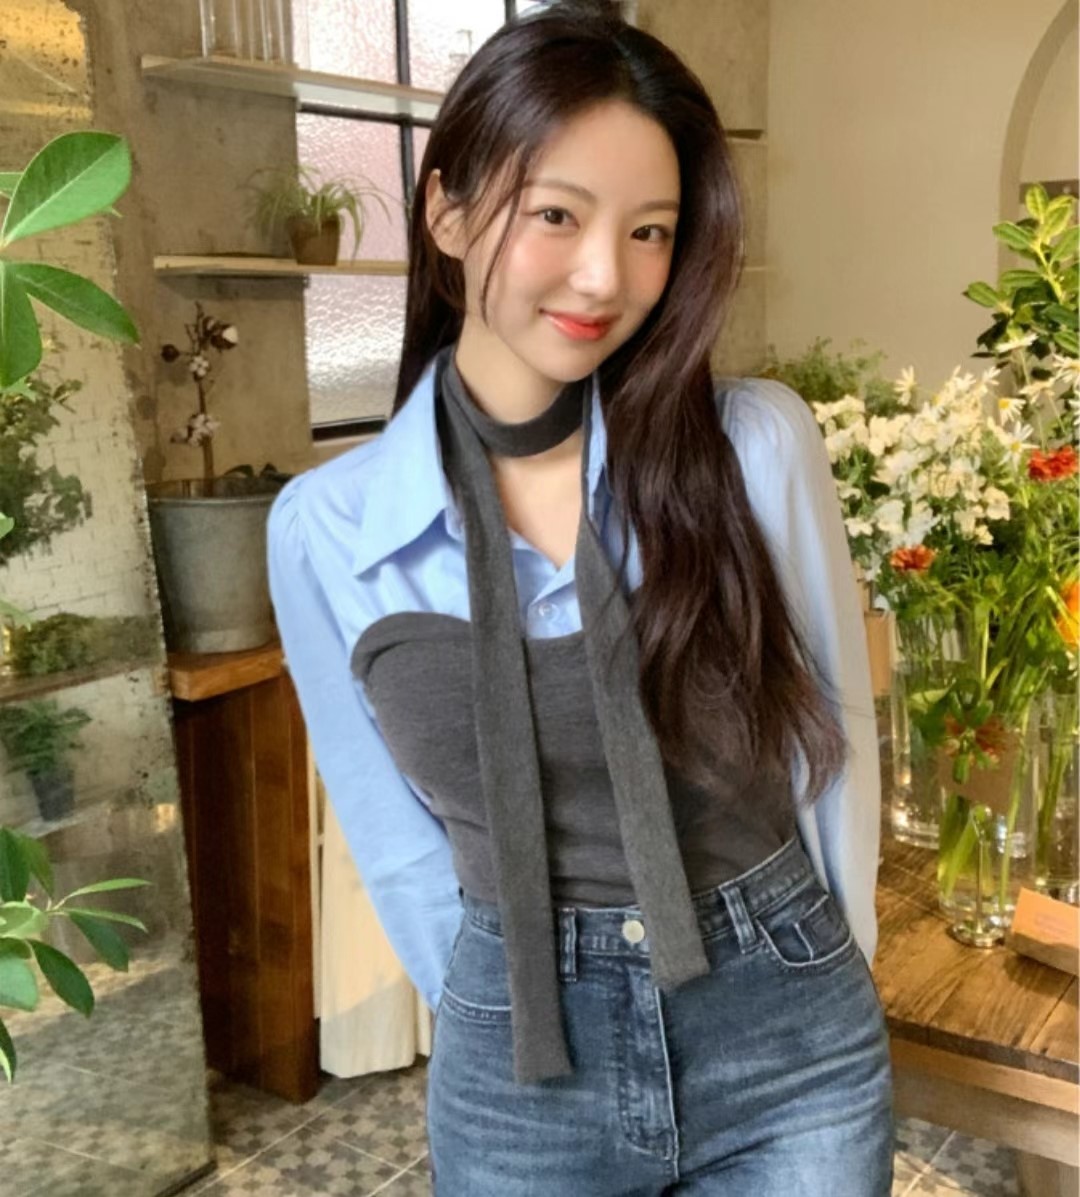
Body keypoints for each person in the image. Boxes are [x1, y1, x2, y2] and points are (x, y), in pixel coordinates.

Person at [266, 1, 895, 1192]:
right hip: (523, 1075)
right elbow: (397, 844)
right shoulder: (325, 534)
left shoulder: (753, 447)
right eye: (557, 214)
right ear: (447, 210)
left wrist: (836, 967)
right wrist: (491, 1003)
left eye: (650, 231)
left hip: (787, 1036)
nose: (606, 276)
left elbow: (832, 738)